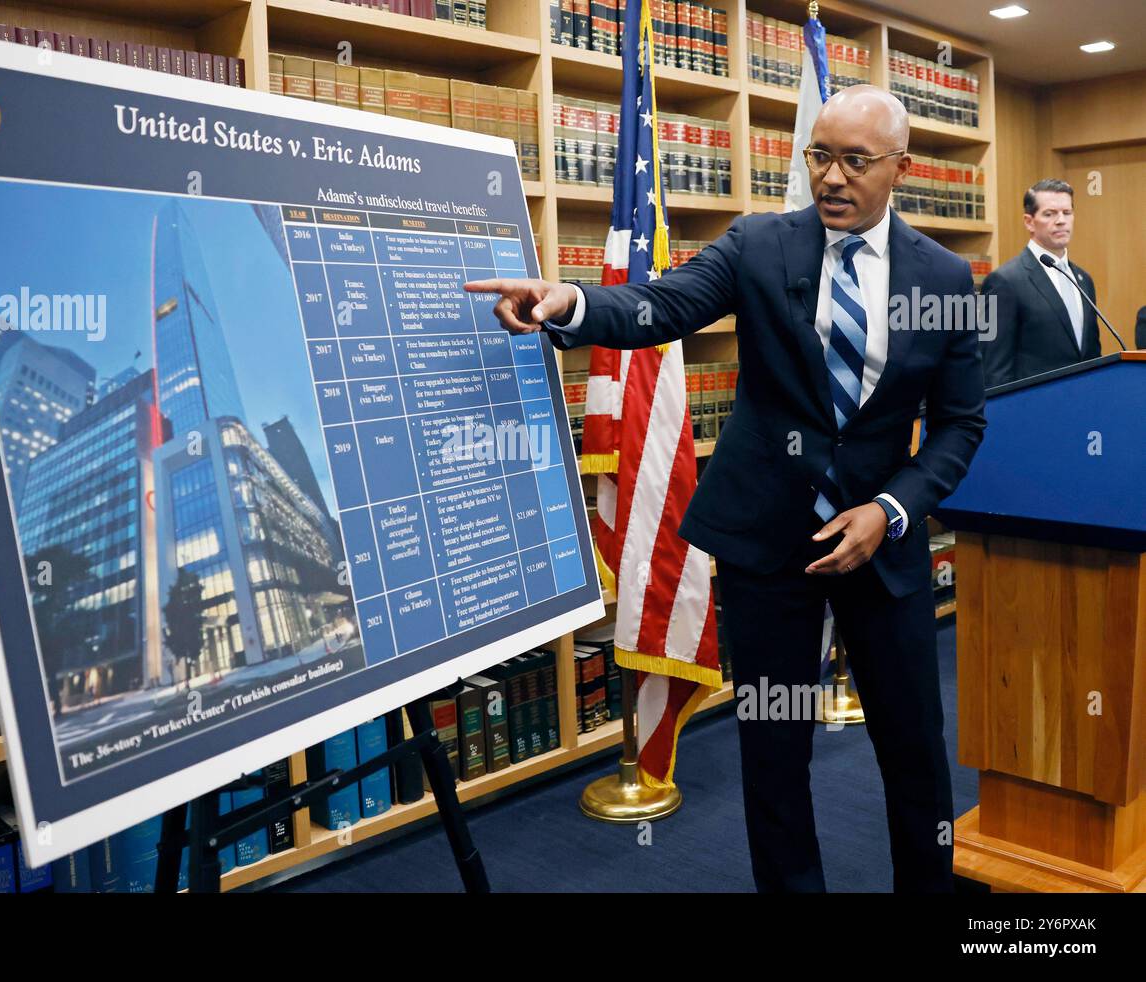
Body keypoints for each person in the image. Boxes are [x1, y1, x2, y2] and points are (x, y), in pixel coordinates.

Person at [465, 85, 986, 892]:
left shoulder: (946, 276)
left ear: (900, 168)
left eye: (855, 160)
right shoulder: (759, 244)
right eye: (819, 155)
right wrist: (569, 302)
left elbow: (959, 426)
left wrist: (890, 511)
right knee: (775, 750)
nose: (832, 178)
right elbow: (658, 305)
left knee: (914, 745)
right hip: (765, 545)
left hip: (883, 549)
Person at [980, 179, 1100, 387]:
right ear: (1029, 222)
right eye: (1050, 213)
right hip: (1032, 410)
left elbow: (1091, 354)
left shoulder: (1083, 279)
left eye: (1067, 212)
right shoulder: (1004, 281)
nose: (1061, 220)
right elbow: (994, 369)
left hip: (1084, 406)